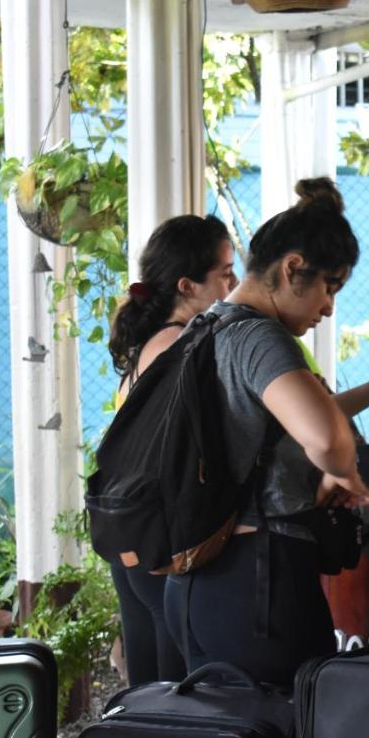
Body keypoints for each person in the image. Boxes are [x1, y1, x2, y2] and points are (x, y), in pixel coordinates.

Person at [163, 179, 369, 687]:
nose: (328, 308)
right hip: (257, 581)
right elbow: (327, 438)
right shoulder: (259, 336)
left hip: (199, 581)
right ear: (291, 268)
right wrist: (343, 474)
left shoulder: (204, 327)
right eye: (330, 287)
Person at [107, 214, 238, 685]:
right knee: (171, 696)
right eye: (224, 272)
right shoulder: (181, 346)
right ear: (187, 284)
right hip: (159, 538)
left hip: (132, 533)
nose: (235, 283)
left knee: (147, 692)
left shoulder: (149, 341)